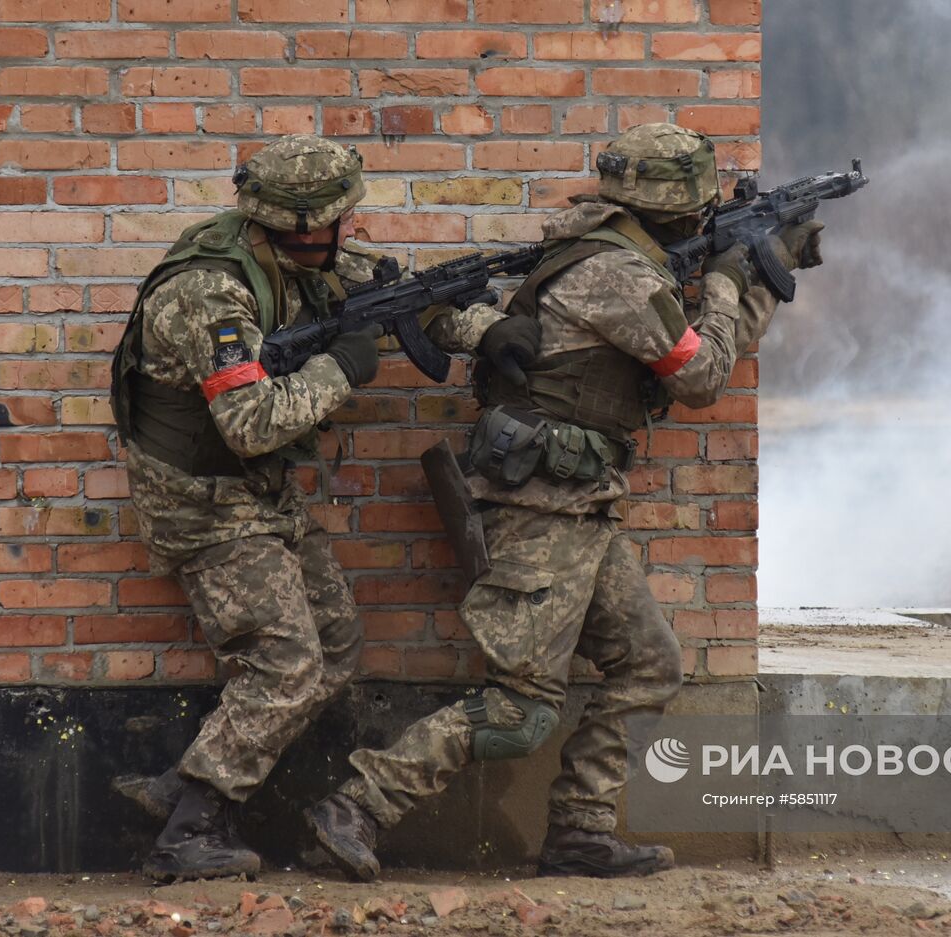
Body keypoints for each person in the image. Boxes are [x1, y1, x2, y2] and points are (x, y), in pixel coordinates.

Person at [303, 123, 824, 881]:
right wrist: (727, 278)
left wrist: (763, 269)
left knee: (647, 663)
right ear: (678, 208)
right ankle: (356, 804)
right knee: (520, 708)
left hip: (579, 500)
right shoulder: (619, 276)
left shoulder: (622, 254)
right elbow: (703, 378)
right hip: (543, 503)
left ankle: (580, 833)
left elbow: (707, 352)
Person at [109, 133, 541, 882]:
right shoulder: (212, 292)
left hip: (258, 494)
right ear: (302, 224)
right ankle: (188, 829)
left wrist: (484, 332)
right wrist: (341, 365)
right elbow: (248, 426)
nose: (350, 229)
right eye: (340, 218)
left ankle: (182, 784)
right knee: (287, 664)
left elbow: (400, 302)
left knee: (336, 644)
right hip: (202, 503)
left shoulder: (303, 257)